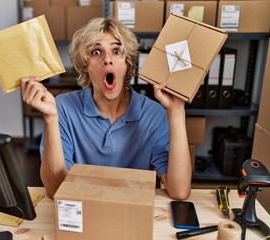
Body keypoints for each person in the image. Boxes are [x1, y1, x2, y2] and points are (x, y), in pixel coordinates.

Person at [21, 17, 191, 200]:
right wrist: (51, 118)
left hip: (132, 212)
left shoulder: (154, 114)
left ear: (128, 62)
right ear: (85, 65)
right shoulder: (62, 108)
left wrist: (176, 112)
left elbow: (179, 191)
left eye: (116, 51)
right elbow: (56, 190)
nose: (107, 60)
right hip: (83, 210)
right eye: (96, 52)